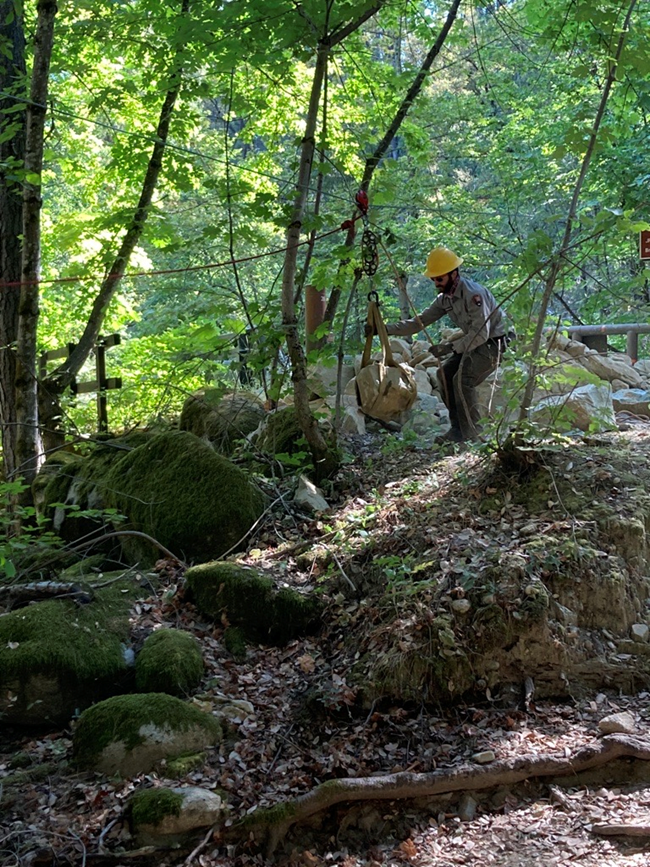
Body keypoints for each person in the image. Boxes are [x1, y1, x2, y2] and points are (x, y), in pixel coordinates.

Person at [383, 246, 510, 443]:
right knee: (444, 374)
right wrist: (384, 329)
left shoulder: (473, 295)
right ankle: (458, 430)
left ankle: (473, 435)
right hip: (472, 342)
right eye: (433, 279)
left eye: (439, 279)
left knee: (463, 379)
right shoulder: (444, 299)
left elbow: (481, 334)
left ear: (454, 274)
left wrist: (450, 348)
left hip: (494, 343)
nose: (436, 283)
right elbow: (419, 322)